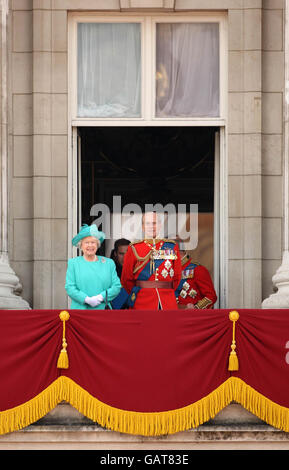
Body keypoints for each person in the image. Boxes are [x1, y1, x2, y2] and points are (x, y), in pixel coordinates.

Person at [121, 212, 182, 310]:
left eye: (154, 223)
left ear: (160, 225)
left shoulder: (172, 246)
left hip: (167, 300)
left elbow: (177, 277)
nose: (151, 226)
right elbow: (126, 279)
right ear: (143, 227)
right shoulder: (134, 248)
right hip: (142, 301)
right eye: (147, 223)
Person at [65, 224, 121, 310]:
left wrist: (100, 297)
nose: (90, 246)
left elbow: (116, 286)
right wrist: (86, 299)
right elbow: (70, 287)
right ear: (81, 245)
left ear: (97, 244)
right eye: (86, 242)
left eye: (93, 242)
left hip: (102, 310)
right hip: (80, 310)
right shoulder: (74, 263)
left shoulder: (108, 263)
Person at [175, 243, 217, 309]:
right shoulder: (170, 269)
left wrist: (196, 308)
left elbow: (211, 296)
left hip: (191, 316)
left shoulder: (197, 269)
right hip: (171, 314)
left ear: (175, 251)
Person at [110, 238, 130, 309]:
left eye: (127, 254)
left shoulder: (137, 272)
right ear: (115, 254)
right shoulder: (109, 273)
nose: (125, 257)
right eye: (121, 254)